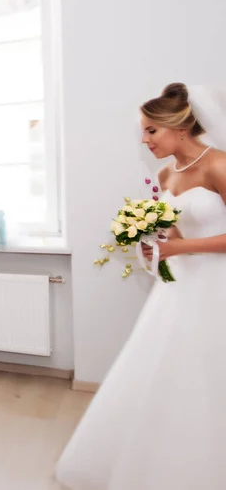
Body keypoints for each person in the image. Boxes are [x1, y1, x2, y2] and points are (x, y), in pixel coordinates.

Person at [55, 83, 226, 489]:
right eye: (143, 130)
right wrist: (153, 247)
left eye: (151, 130)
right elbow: (176, 236)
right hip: (180, 288)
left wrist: (180, 246)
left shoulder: (219, 165)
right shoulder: (167, 173)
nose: (144, 139)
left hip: (216, 288)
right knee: (168, 372)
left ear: (179, 129)